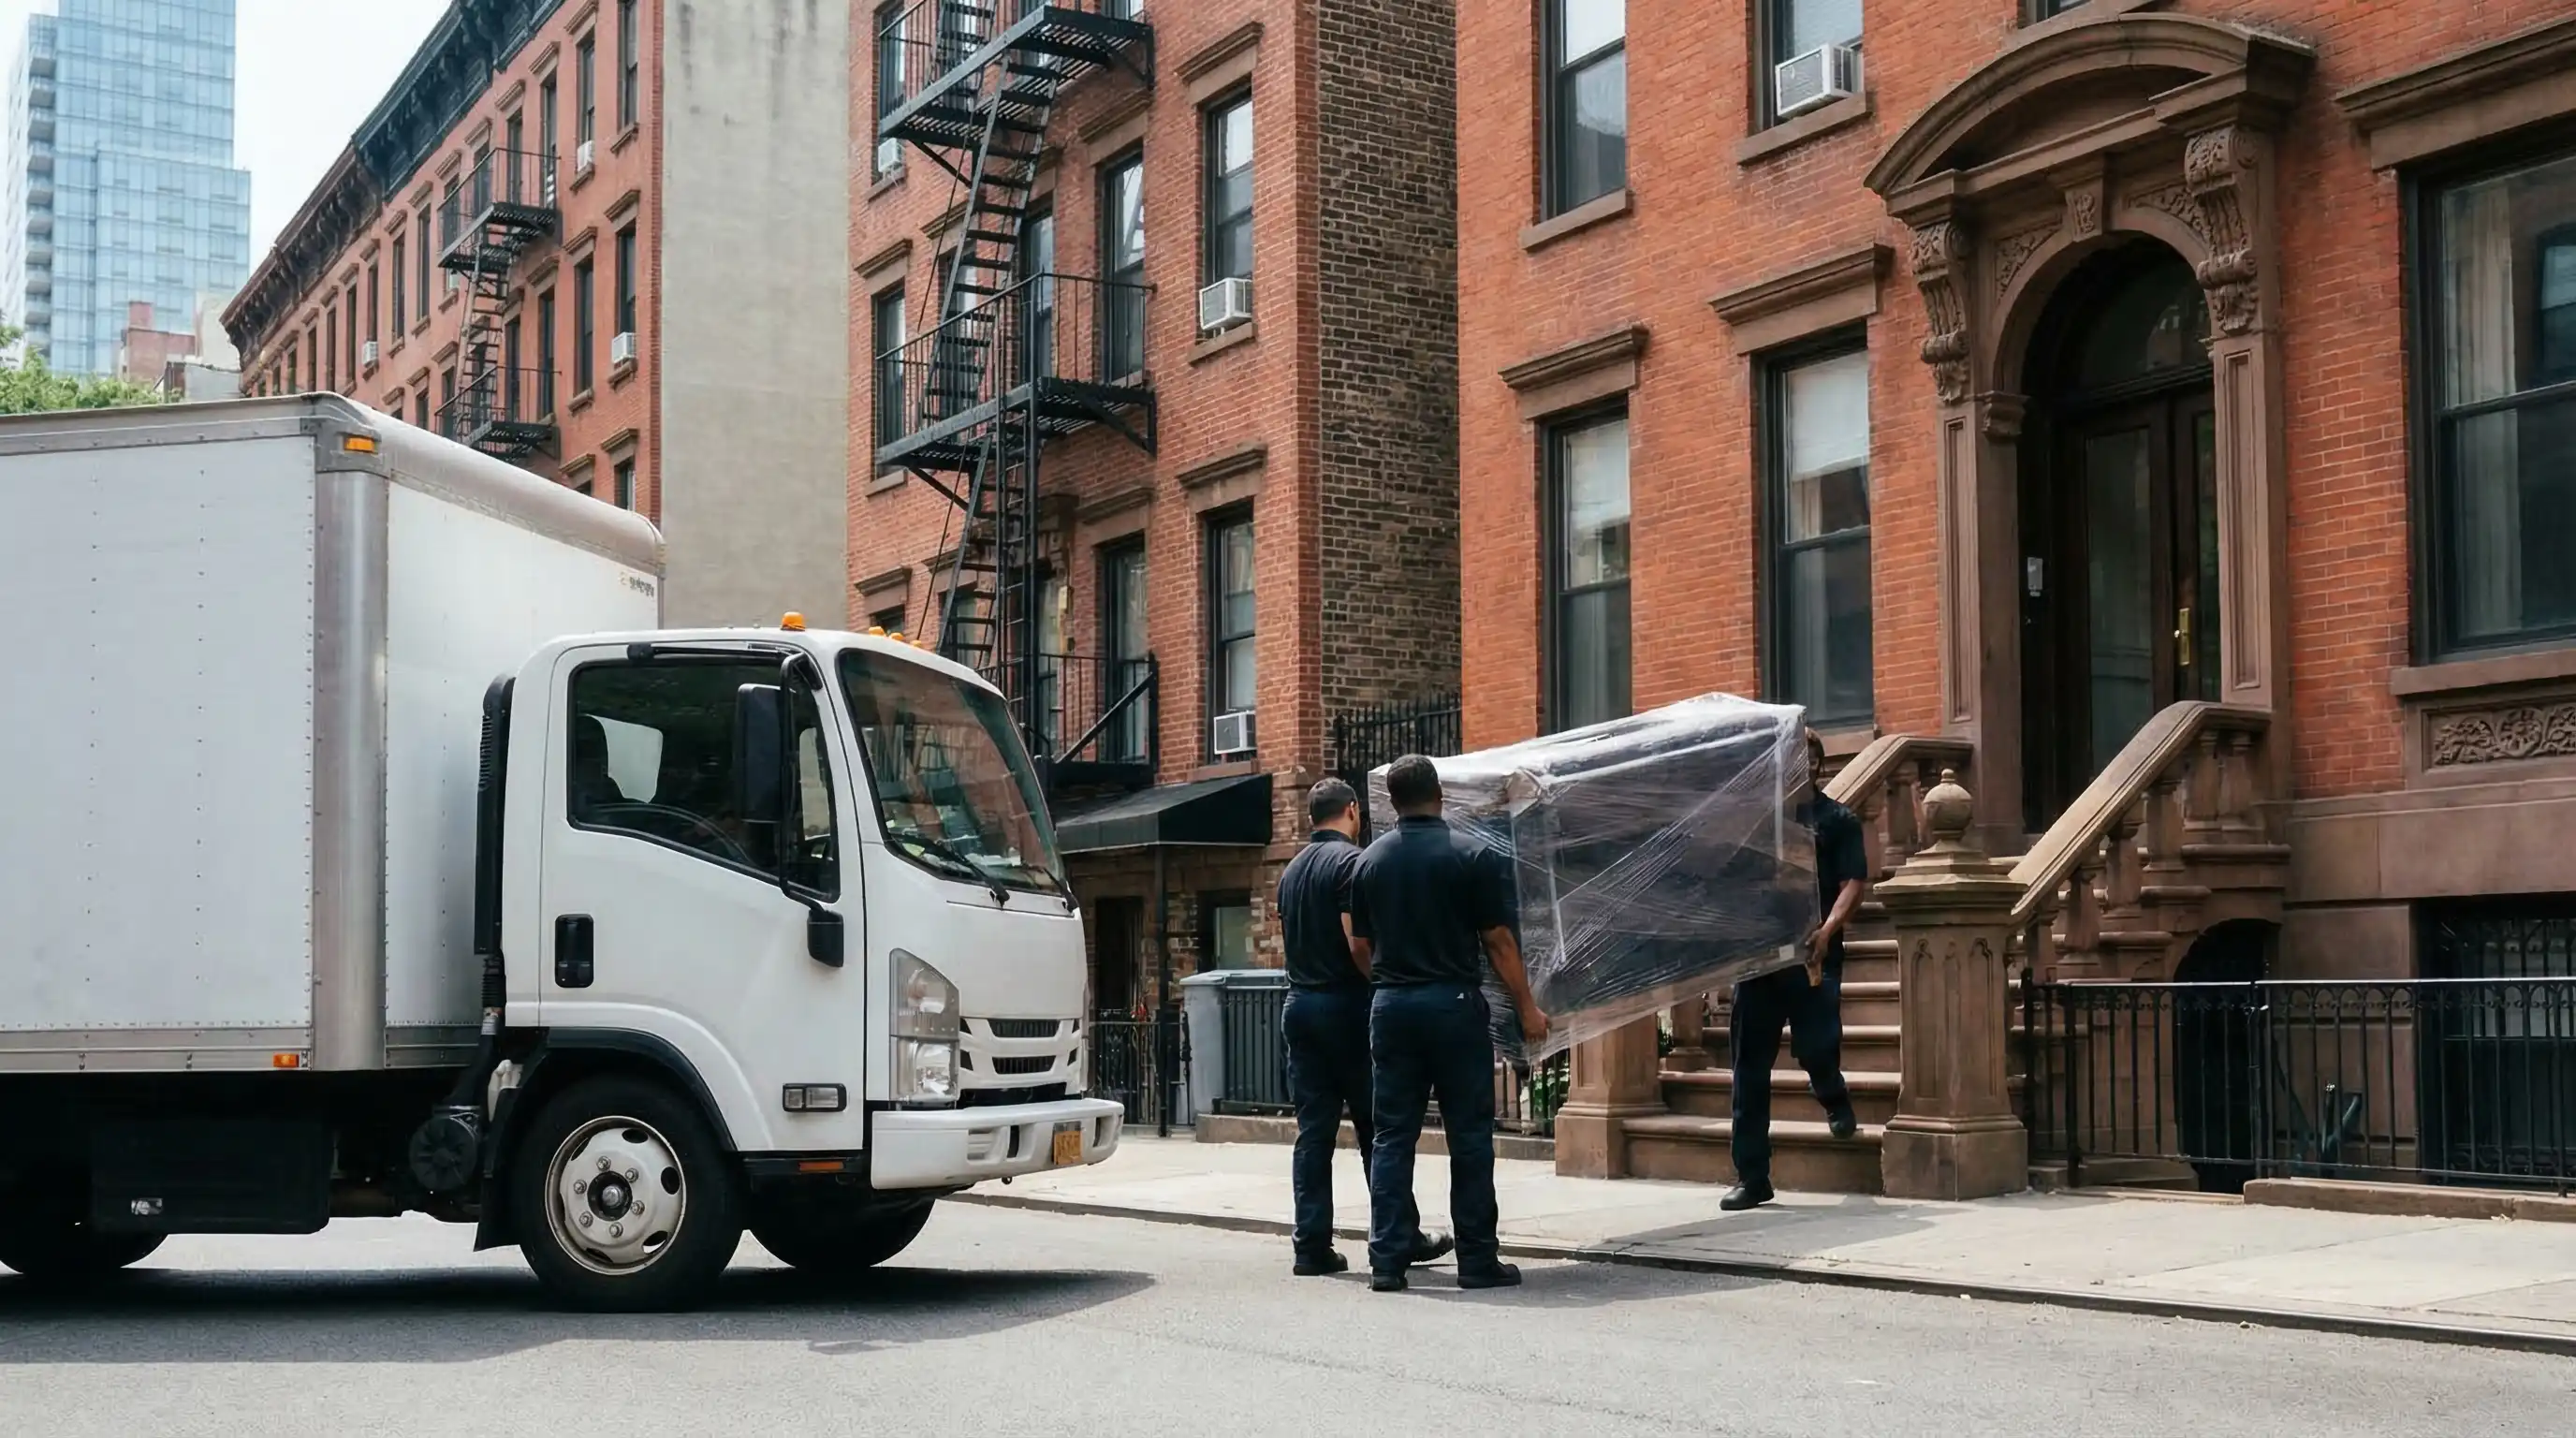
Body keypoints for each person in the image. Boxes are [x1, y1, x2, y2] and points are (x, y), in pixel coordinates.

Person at [1349, 755, 1548, 1293]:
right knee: (1468, 1134)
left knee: (1392, 1136)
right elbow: (1499, 941)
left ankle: (1388, 1261)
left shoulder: (1367, 863)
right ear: (1439, 794)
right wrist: (1527, 1007)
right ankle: (1477, 1259)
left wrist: (1390, 983)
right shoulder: (1471, 854)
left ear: (1392, 802)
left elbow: (1359, 946)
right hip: (1453, 1003)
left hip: (1391, 1006)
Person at [1274, 778, 1451, 1276]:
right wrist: (1381, 984)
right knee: (1380, 1127)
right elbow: (1357, 944)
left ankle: (1310, 1245)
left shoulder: (1290, 871)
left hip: (1299, 1003)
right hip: (1346, 1006)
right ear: (1352, 810)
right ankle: (1398, 1233)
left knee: (1314, 1133)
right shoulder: (1350, 864)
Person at [1721, 729, 1868, 1212]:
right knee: (1749, 1069)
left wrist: (1826, 932)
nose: (1793, 768)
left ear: (1818, 767)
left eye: (1803, 759)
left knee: (1816, 1046)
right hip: (1760, 961)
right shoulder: (1759, 823)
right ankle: (1753, 1176)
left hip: (1814, 956)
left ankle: (1832, 1095)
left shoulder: (1837, 820)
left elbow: (1853, 883)